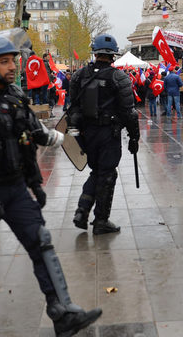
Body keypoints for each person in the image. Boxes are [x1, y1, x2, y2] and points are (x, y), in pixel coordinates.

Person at [0, 29, 102, 337]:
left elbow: (29, 140)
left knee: (41, 242)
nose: (14, 67)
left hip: (15, 188)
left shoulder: (15, 97)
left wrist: (35, 183)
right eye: (5, 62)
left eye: (13, 60)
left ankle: (62, 311)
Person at [66, 33, 140, 235]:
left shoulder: (79, 76)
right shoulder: (120, 77)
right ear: (113, 55)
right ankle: (101, 220)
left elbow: (72, 107)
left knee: (97, 171)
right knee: (107, 174)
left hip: (87, 133)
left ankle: (82, 211)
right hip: (109, 133)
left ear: (95, 53)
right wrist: (134, 137)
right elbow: (129, 112)